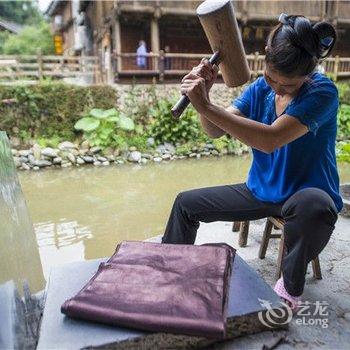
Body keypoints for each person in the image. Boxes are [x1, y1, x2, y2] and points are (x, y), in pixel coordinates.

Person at [161, 14, 342, 312]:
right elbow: (216, 130)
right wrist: (205, 98)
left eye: (289, 85)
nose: (277, 89)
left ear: (307, 77)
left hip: (305, 195)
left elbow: (270, 140)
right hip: (259, 191)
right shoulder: (261, 88)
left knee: (316, 207)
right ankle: (168, 269)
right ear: (266, 63)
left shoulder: (323, 92)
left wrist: (206, 105)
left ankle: (289, 287)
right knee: (185, 204)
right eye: (272, 78)